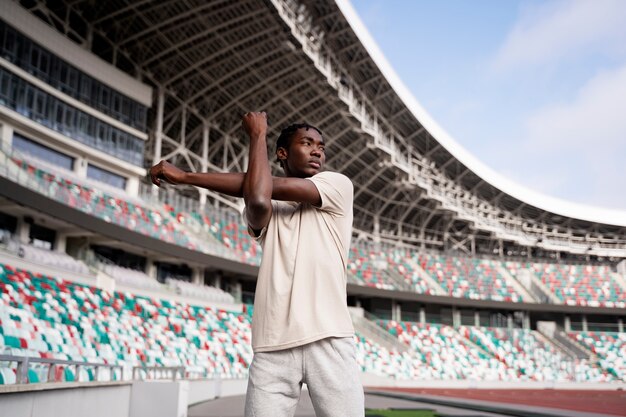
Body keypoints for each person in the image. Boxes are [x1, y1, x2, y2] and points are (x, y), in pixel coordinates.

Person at [150, 112, 364, 417]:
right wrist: (258, 138)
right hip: (272, 345)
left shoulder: (337, 185)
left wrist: (188, 176)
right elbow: (260, 199)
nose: (318, 150)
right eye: (307, 143)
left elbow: (261, 187)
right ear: (282, 154)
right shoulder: (266, 206)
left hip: (329, 337)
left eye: (321, 145)